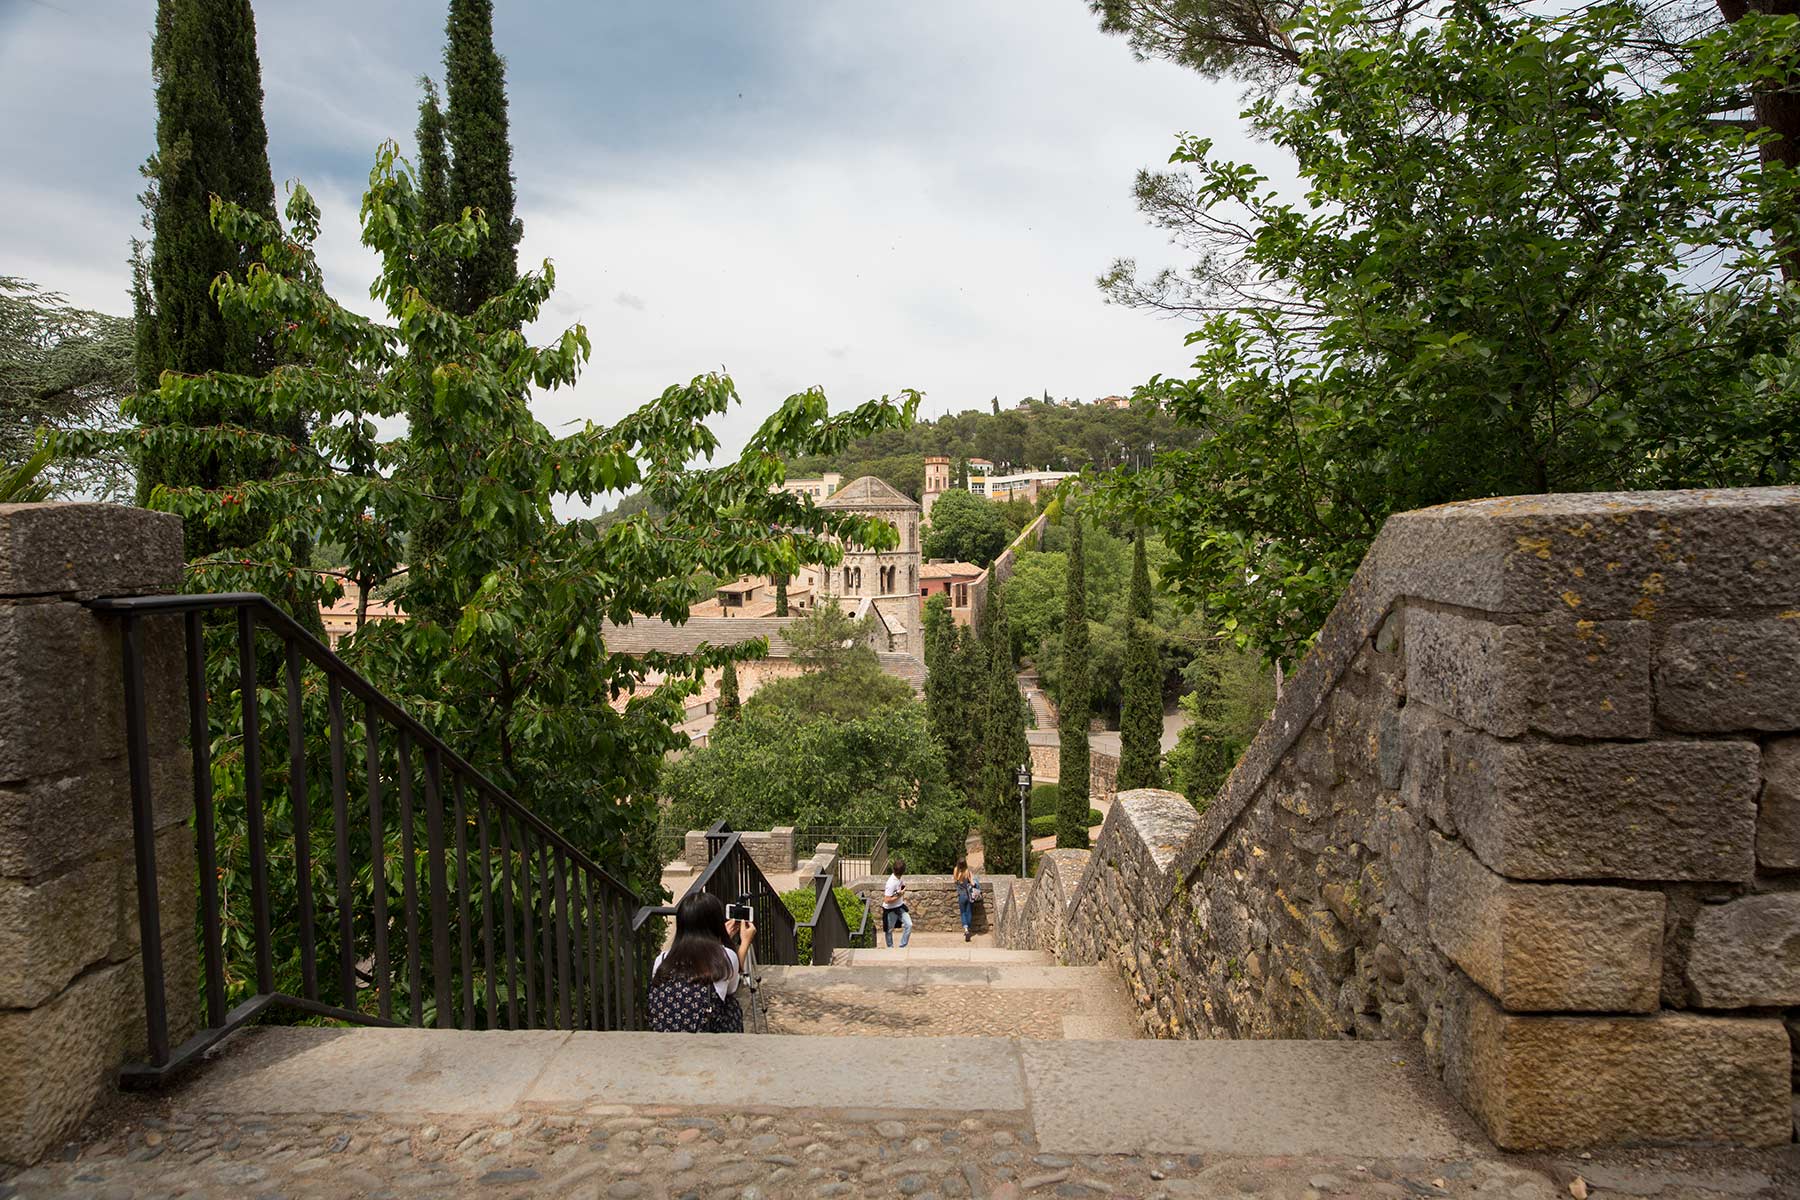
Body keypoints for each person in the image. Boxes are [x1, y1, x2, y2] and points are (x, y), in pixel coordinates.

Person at [648, 892, 756, 1033]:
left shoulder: (662, 959)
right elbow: (732, 988)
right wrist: (745, 942)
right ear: (717, 923)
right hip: (704, 1034)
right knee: (731, 1005)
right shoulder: (726, 956)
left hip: (667, 1035)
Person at [881, 858, 912, 948]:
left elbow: (902, 886)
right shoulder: (891, 883)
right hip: (890, 909)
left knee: (909, 925)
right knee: (889, 930)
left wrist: (902, 890)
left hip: (900, 907)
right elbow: (887, 900)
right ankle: (890, 947)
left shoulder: (900, 878)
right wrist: (899, 895)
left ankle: (902, 946)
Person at [953, 859, 982, 942]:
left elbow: (955, 881)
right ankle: (968, 928)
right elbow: (973, 884)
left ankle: (966, 930)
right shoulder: (967, 872)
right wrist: (975, 881)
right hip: (968, 895)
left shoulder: (956, 871)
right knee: (968, 912)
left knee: (963, 912)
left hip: (961, 895)